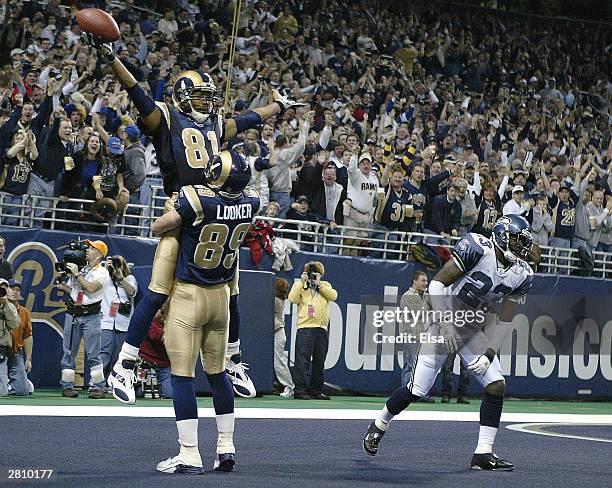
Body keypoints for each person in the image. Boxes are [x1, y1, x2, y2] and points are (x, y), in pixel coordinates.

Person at [85, 34, 303, 404]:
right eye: (200, 95)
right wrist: (112, 58)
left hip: (214, 209)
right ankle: (125, 363)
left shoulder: (215, 122)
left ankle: (232, 358)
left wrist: (276, 107)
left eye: (209, 96)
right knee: (157, 292)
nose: (207, 102)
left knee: (231, 288)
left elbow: (247, 118)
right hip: (183, 208)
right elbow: (135, 89)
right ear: (182, 96)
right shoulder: (166, 117)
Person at [363, 215, 534, 471]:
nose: (521, 247)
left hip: (473, 327)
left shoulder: (522, 274)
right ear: (501, 234)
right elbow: (437, 284)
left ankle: (483, 453)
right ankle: (380, 422)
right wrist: (443, 323)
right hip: (445, 319)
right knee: (416, 389)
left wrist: (488, 354)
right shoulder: (478, 248)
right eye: (517, 240)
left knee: (496, 385)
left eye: (524, 242)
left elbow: (506, 319)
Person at [149, 149, 259, 474]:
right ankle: (226, 447)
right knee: (217, 373)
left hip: (190, 292)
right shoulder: (250, 204)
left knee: (182, 376)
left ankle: (189, 453)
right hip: (221, 297)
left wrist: (172, 207)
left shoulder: (199, 202)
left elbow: (160, 226)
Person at [55, 240, 110, 399]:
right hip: (73, 312)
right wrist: (63, 285)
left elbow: (91, 288)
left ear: (99, 254)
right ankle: (67, 386)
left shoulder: (102, 272)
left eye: (92, 248)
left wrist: (77, 274)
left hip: (91, 315)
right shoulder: (80, 267)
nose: (87, 250)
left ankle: (98, 387)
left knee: (93, 354)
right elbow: (74, 291)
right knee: (69, 352)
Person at [289, 261, 338, 400]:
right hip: (305, 328)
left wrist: (319, 284)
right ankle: (299, 390)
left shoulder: (325, 285)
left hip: (321, 328)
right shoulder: (301, 286)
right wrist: (301, 282)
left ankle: (316, 390)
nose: (313, 275)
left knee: (319, 361)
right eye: (312, 273)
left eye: (316, 273)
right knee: (302, 361)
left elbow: (334, 296)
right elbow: (292, 298)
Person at [398, 271, 434, 403]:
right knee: (410, 366)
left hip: (423, 337)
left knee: (422, 367)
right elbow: (419, 313)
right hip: (412, 336)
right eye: (423, 281)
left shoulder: (423, 296)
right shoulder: (408, 296)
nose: (426, 283)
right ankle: (405, 395)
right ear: (415, 281)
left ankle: (419, 393)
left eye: (426, 281)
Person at [100, 255, 138, 380]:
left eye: (118, 264)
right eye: (114, 264)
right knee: (104, 352)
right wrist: (106, 269)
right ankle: (97, 383)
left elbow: (132, 292)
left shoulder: (129, 278)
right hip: (106, 321)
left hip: (123, 322)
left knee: (117, 355)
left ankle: (112, 381)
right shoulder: (105, 278)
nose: (116, 266)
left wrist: (121, 278)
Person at [7, 279, 32, 396]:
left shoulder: (24, 312)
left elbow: (28, 336)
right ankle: (6, 383)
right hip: (1, 352)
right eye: (12, 288)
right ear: (5, 290)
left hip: (15, 353)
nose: (15, 292)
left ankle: (20, 382)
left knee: (22, 391)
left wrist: (28, 359)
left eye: (18, 290)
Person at [274, 278, 294, 397]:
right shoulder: (277, 299)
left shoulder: (276, 301)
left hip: (278, 333)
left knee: (279, 362)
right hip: (274, 333)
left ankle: (289, 386)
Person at [0, 278, 20, 396]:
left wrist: (5, 304)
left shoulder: (9, 306)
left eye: (4, 289)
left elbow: (14, 325)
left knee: (2, 391)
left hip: (2, 348)